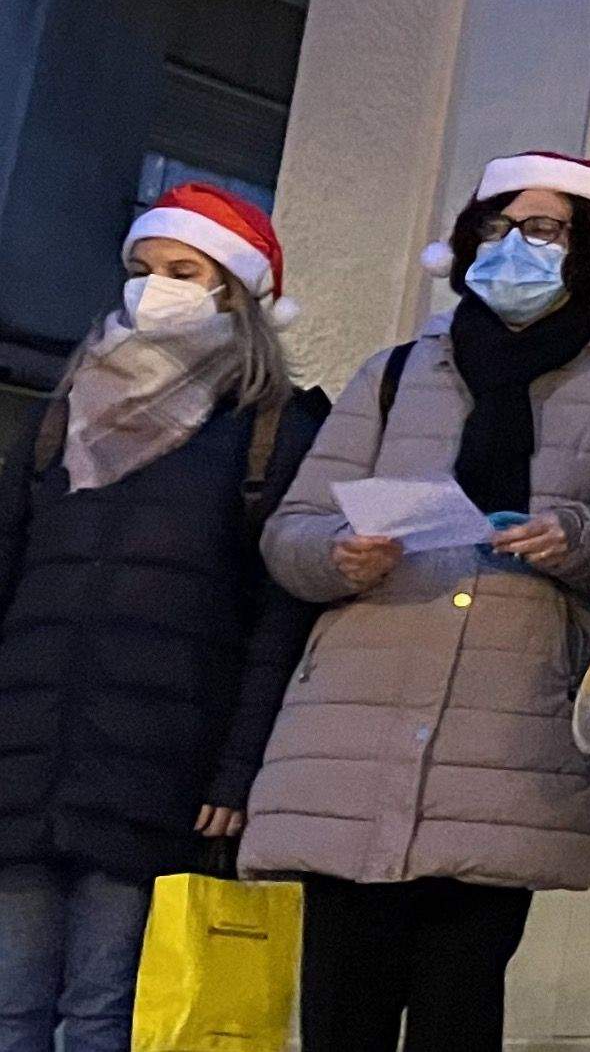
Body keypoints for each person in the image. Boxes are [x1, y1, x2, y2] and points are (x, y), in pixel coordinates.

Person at [248, 152, 590, 1052]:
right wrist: (338, 554)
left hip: (507, 727)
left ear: (586, 250)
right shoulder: (397, 373)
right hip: (358, 714)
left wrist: (578, 539)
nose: (514, 246)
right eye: (497, 225)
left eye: (544, 229)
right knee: (340, 1003)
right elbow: (291, 531)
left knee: (459, 998)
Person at [0, 186, 323, 1049]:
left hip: (158, 767)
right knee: (12, 1012)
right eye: (142, 270)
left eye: (183, 270)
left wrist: (237, 769)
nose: (155, 287)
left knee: (109, 1009)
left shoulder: (272, 430)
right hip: (27, 758)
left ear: (236, 292)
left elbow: (275, 623)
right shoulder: (58, 417)